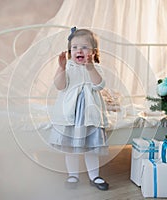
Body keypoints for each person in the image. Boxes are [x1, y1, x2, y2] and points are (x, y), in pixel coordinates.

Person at [49, 27, 109, 191]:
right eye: (74, 47)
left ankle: (94, 175)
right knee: (71, 148)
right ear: (70, 51)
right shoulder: (68, 67)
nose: (78, 50)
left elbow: (99, 85)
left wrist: (90, 68)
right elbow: (60, 85)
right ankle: (73, 175)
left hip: (90, 116)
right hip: (71, 116)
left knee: (90, 148)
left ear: (93, 52)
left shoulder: (95, 68)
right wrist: (61, 68)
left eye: (84, 47)